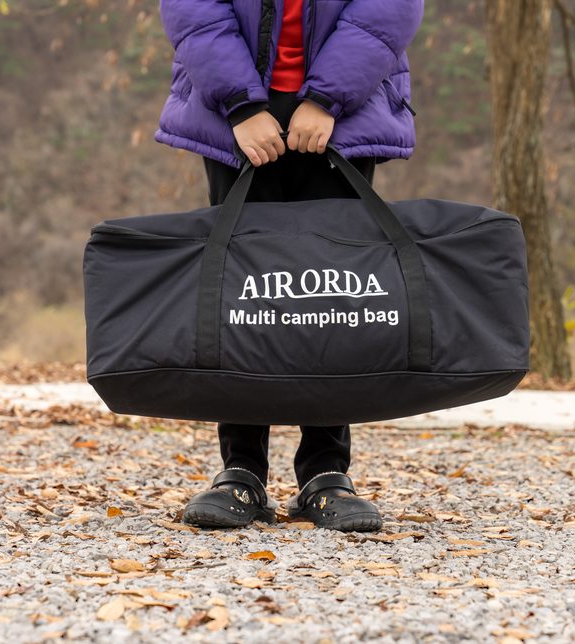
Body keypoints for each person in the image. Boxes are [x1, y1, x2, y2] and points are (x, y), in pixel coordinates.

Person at [154, 0, 424, 531]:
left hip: (340, 116)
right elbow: (193, 9)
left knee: (334, 298)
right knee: (242, 295)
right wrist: (239, 106)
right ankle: (241, 471)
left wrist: (326, 99)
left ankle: (325, 472)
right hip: (236, 120)